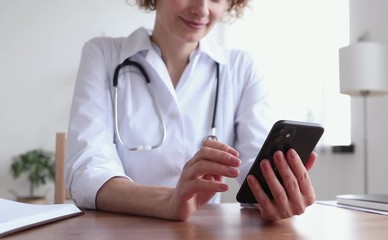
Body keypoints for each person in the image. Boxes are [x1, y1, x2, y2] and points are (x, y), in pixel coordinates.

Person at [65, 0, 318, 221]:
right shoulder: (103, 54)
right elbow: (87, 169)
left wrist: (274, 191)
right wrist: (168, 200)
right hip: (119, 230)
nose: (201, 9)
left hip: (201, 231)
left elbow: (254, 162)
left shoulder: (242, 67)